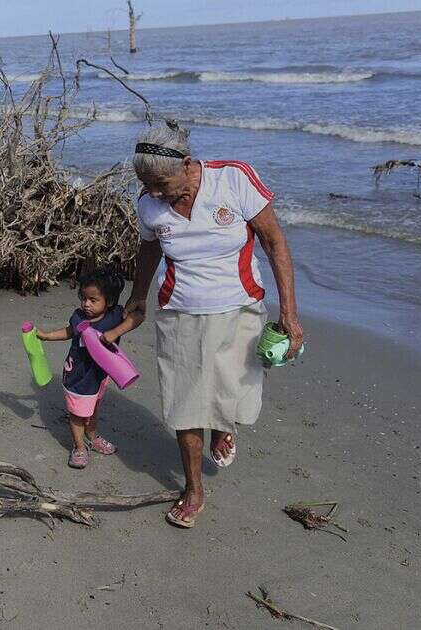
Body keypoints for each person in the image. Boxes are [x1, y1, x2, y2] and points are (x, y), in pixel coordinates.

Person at [121, 122, 304, 528]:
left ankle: (223, 426)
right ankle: (193, 488)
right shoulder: (149, 206)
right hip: (180, 311)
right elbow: (148, 250)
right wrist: (138, 296)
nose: (154, 193)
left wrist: (289, 314)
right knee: (185, 404)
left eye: (160, 183)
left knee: (231, 389)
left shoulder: (234, 179)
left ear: (187, 164)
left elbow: (275, 242)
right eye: (146, 184)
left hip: (240, 309)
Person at [35, 268, 141, 469]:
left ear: (109, 301)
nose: (86, 304)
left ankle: (92, 437)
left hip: (100, 376)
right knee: (77, 414)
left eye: (93, 300)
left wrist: (116, 332)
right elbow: (69, 332)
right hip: (78, 377)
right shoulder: (78, 317)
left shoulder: (115, 316)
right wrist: (48, 336)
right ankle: (79, 447)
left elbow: (138, 316)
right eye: (83, 298)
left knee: (93, 409)